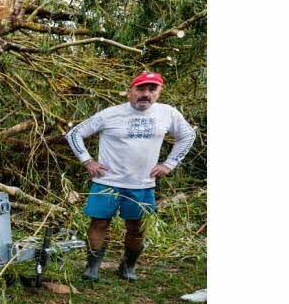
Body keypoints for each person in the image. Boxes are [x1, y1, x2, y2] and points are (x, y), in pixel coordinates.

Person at [65, 71, 196, 281]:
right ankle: (92, 267)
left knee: (136, 227)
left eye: (152, 89)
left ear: (159, 91)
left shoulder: (168, 113)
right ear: (130, 92)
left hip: (142, 184)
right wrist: (87, 161)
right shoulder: (111, 114)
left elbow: (188, 135)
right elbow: (74, 134)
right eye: (141, 89)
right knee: (99, 223)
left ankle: (128, 266)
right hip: (107, 181)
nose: (146, 94)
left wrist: (169, 164)